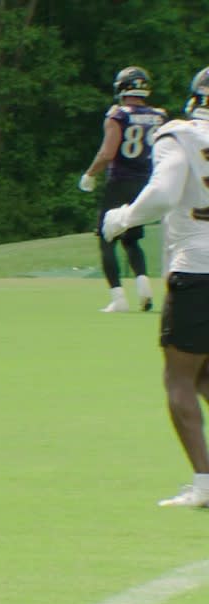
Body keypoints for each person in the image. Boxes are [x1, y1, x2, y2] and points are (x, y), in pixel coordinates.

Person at [103, 65, 209, 507]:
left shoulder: (180, 133)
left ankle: (204, 484)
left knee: (179, 379)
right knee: (205, 377)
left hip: (198, 268)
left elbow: (165, 193)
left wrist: (124, 218)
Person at [79, 66, 168, 313]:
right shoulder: (159, 116)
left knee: (107, 238)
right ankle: (143, 287)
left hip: (120, 182)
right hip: (146, 183)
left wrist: (89, 174)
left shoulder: (118, 115)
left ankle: (118, 298)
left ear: (121, 87)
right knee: (132, 239)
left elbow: (108, 153)